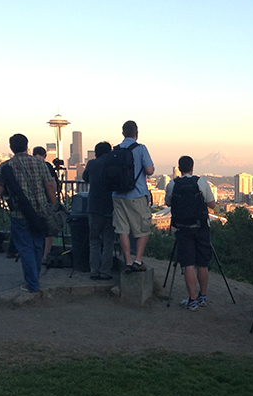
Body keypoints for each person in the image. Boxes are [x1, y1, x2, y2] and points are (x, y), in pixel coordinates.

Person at [0, 134, 56, 293]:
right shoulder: (40, 163)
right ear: (27, 146)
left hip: (19, 213)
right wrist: (53, 205)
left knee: (25, 248)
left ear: (11, 147)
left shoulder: (6, 166)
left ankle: (32, 283)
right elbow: (49, 185)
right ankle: (34, 278)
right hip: (40, 212)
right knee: (37, 246)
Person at [165, 156, 216, 311]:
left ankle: (192, 300)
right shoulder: (201, 182)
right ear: (192, 167)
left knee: (188, 264)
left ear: (179, 168)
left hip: (182, 228)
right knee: (202, 262)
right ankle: (203, 296)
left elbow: (168, 203)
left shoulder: (172, 184)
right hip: (201, 227)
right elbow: (212, 204)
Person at [112, 120, 155, 273]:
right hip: (136, 194)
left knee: (122, 229)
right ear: (136, 133)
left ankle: (128, 262)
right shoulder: (141, 149)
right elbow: (149, 170)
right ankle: (137, 260)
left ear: (123, 133)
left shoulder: (115, 149)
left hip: (117, 195)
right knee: (143, 229)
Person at [82, 142, 115, 280]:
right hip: (110, 207)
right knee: (108, 241)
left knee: (94, 240)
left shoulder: (91, 164)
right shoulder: (114, 165)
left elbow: (85, 178)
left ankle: (94, 271)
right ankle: (105, 271)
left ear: (96, 153)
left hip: (94, 207)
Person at [31, 146, 59, 264]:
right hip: (46, 201)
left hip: (30, 201)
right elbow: (53, 184)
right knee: (49, 228)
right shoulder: (46, 166)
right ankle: (45, 255)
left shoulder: (28, 165)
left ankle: (32, 254)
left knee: (32, 227)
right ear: (44, 155)